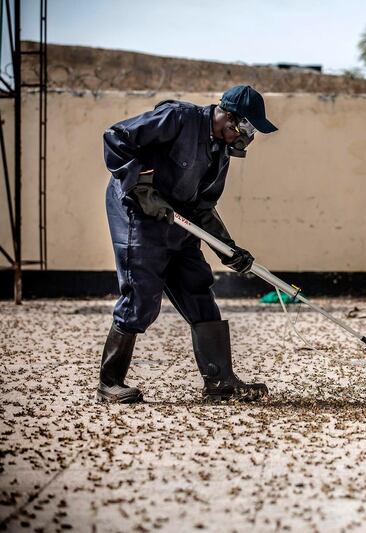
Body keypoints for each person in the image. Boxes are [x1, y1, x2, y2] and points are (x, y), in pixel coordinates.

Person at [98, 85, 277, 403]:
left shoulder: (220, 153)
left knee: (197, 289)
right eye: (245, 129)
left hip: (177, 220)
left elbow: (203, 206)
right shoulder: (178, 118)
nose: (244, 138)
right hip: (136, 213)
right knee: (141, 295)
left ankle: (220, 383)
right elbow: (117, 137)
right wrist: (141, 185)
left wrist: (228, 248)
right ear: (229, 117)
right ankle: (109, 383)